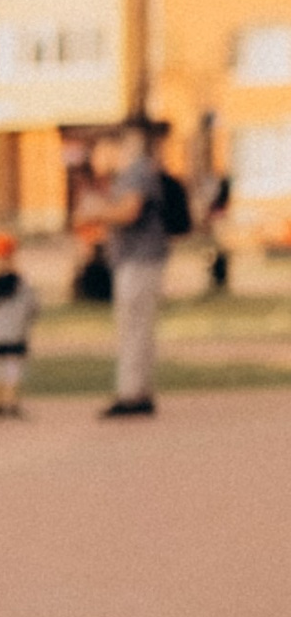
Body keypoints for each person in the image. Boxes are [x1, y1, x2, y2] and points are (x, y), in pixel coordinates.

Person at [103, 115, 177, 418]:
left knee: (133, 326)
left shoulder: (136, 173)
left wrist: (97, 212)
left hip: (139, 260)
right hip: (139, 259)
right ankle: (137, 389)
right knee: (136, 327)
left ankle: (132, 393)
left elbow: (129, 211)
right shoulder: (139, 172)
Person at [0, 228, 34, 417]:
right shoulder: (22, 283)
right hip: (16, 334)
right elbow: (32, 307)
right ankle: (11, 403)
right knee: (13, 371)